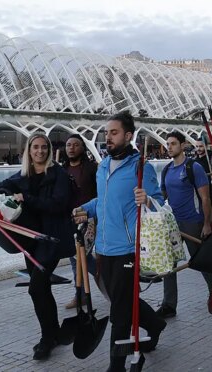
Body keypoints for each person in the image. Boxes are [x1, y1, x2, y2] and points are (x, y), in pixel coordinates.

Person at [74, 111, 166, 372]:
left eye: (114, 133)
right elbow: (103, 201)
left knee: (120, 313)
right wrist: (86, 208)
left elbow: (159, 201)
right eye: (106, 133)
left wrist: (147, 199)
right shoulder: (103, 166)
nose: (108, 137)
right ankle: (156, 325)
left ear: (128, 136)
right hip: (103, 247)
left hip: (128, 248)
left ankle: (117, 365)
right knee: (121, 302)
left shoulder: (141, 167)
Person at [0, 133, 76, 361]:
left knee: (36, 288)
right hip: (31, 241)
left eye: (43, 148)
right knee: (42, 288)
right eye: (35, 147)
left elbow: (59, 205)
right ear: (29, 151)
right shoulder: (22, 176)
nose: (40, 151)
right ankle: (54, 333)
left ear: (49, 150)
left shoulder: (58, 174)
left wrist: (26, 198)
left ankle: (47, 339)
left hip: (51, 239)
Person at [156, 131, 212, 319]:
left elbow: (205, 198)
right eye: (168, 144)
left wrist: (206, 223)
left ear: (182, 146)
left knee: (199, 260)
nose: (169, 147)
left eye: (173, 143)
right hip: (173, 224)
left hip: (192, 222)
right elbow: (161, 197)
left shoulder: (193, 167)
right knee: (169, 263)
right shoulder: (166, 170)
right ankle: (169, 304)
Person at [63, 134, 100, 309]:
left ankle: (105, 278)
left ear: (83, 148)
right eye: (68, 145)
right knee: (74, 256)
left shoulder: (93, 169)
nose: (71, 148)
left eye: (75, 145)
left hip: (89, 218)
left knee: (80, 255)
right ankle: (80, 294)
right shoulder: (62, 170)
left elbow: (101, 194)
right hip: (70, 219)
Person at [193, 139, 212, 217]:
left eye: (201, 146)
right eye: (197, 146)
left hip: (211, 191)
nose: (198, 148)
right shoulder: (193, 161)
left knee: (210, 215)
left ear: (206, 147)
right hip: (197, 192)